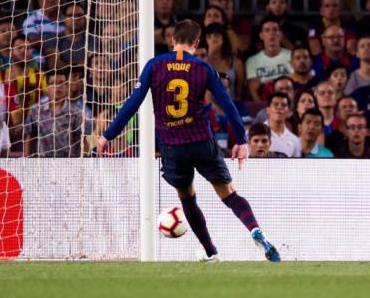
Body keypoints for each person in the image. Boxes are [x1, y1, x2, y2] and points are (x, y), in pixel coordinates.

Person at [97, 20, 280, 262]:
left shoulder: (154, 65)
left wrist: (108, 135)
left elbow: (133, 102)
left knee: (188, 198)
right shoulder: (203, 68)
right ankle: (255, 230)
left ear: (172, 40)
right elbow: (227, 103)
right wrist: (241, 140)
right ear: (196, 43)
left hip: (173, 148)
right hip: (202, 142)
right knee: (229, 195)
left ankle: (211, 252)